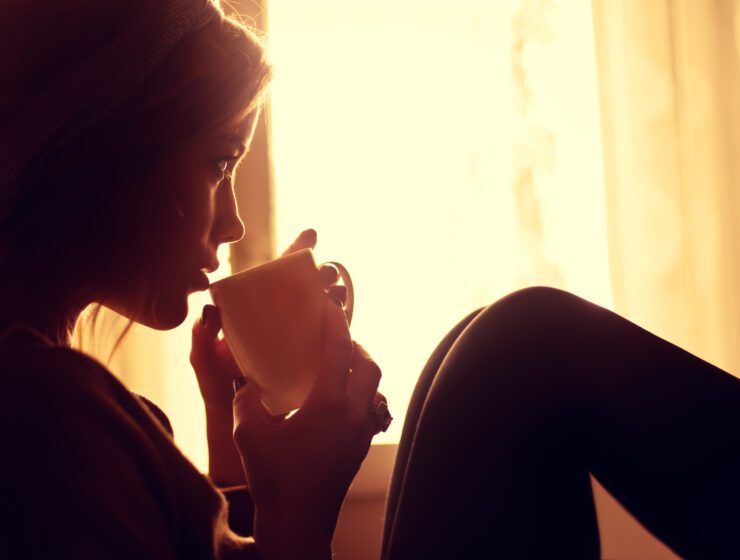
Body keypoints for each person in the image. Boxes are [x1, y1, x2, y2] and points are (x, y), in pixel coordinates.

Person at [2, 1, 740, 559]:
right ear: (111, 146)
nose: (232, 224)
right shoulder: (47, 415)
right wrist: (302, 509)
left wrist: (234, 440)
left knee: (478, 347)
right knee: (526, 349)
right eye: (219, 163)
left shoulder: (70, 410)